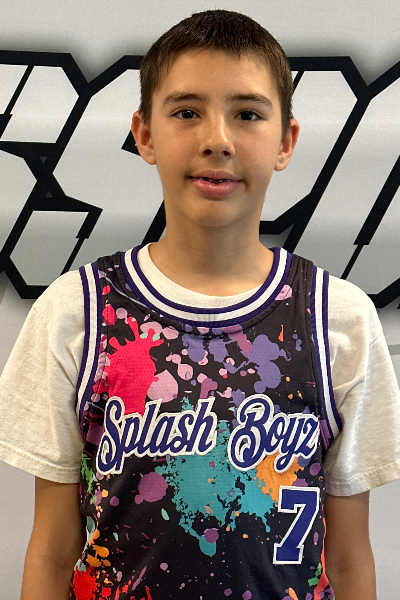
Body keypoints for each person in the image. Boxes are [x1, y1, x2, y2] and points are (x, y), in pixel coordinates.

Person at [0, 9, 399, 600]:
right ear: (144, 135)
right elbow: (53, 549)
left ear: (286, 140)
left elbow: (347, 555)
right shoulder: (77, 312)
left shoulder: (336, 319)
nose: (218, 139)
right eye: (187, 112)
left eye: (248, 114)